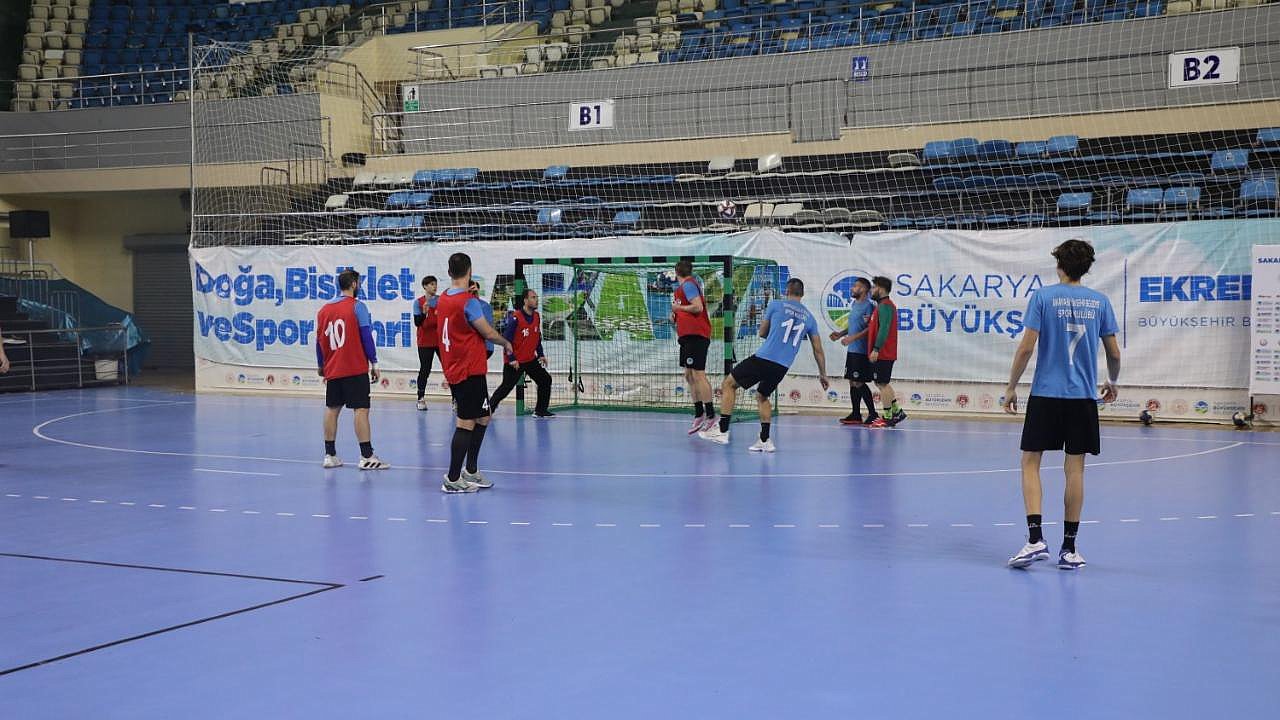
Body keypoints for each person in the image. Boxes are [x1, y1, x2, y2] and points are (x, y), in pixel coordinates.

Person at [1004, 239, 1121, 571]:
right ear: (1086, 268)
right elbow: (1114, 353)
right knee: (1075, 469)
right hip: (1082, 398)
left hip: (1045, 394)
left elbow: (1026, 348)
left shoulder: (1043, 297)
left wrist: (1011, 387)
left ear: (1059, 265)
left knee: (1030, 462)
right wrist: (1112, 381)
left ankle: (1035, 539)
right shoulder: (1100, 302)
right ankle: (1069, 549)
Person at [699, 278, 829, 452]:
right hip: (782, 366)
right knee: (762, 396)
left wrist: (774, 334)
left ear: (786, 291)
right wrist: (823, 374)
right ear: (802, 294)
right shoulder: (810, 318)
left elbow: (762, 332)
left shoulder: (776, 305)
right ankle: (765, 440)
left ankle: (722, 431)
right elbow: (818, 350)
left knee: (729, 384)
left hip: (764, 358)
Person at [438, 254, 513, 493]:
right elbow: (488, 333)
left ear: (449, 272)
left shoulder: (444, 297)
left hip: (461, 366)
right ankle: (452, 479)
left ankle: (470, 470)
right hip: (467, 369)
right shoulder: (468, 302)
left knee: (483, 417)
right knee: (465, 423)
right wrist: (506, 343)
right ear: (469, 271)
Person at [315, 269, 389, 470]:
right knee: (361, 409)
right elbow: (366, 336)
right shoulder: (357, 306)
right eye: (360, 283)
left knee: (332, 408)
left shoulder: (324, 310)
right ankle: (367, 456)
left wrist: (321, 365)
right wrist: (374, 362)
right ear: (354, 284)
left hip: (333, 368)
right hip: (354, 368)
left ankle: (329, 455)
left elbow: (319, 342)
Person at [489, 288, 555, 418]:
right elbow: (506, 340)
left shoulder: (536, 316)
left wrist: (540, 354)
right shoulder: (515, 318)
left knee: (545, 380)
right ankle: (488, 410)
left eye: (536, 297)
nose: (536, 300)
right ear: (525, 300)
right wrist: (512, 358)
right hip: (515, 361)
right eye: (533, 297)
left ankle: (540, 410)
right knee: (506, 388)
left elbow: (537, 337)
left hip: (530, 359)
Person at [671, 260, 716, 434]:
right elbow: (683, 310)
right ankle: (699, 413)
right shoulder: (680, 290)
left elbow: (697, 307)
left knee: (698, 374)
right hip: (686, 336)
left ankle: (710, 415)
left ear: (676, 272)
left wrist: (679, 308)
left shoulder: (689, 285)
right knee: (689, 375)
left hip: (696, 335)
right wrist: (675, 315)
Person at [829, 277, 878, 426]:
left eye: (855, 286)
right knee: (852, 381)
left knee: (858, 381)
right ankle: (856, 414)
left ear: (863, 289)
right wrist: (841, 334)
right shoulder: (855, 304)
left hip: (861, 350)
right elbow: (854, 326)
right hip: (852, 349)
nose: (852, 288)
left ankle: (873, 414)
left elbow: (870, 328)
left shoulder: (869, 306)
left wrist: (853, 338)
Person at [865, 276, 907, 428]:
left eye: (873, 287)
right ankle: (897, 412)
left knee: (882, 384)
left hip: (883, 352)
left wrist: (876, 349)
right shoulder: (882, 306)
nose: (871, 290)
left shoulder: (886, 306)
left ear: (881, 289)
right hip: (883, 352)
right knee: (881, 383)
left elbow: (884, 329)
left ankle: (888, 417)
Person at [412, 275, 439, 411]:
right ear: (425, 286)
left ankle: (455, 400)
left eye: (435, 284)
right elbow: (417, 323)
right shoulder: (418, 302)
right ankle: (420, 398)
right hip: (425, 342)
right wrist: (424, 313)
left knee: (449, 369)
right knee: (425, 369)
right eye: (431, 284)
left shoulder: (441, 301)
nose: (434, 287)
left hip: (440, 341)